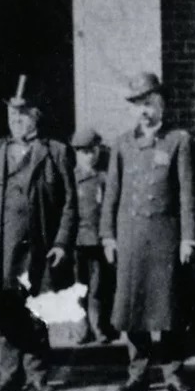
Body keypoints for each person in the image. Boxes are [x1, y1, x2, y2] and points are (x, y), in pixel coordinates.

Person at [0, 86, 76, 391]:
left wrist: (61, 243)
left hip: (39, 248)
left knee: (36, 312)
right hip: (0, 249)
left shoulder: (55, 152)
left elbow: (69, 203)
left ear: (36, 117)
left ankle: (38, 375)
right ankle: (9, 374)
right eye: (11, 113)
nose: (15, 119)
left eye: (23, 113)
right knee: (6, 311)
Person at [103, 73, 195, 391]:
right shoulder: (121, 144)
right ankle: (138, 372)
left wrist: (188, 238)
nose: (144, 111)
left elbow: (188, 193)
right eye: (138, 105)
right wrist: (107, 235)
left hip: (165, 235)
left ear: (162, 104)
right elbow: (112, 193)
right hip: (130, 234)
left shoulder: (178, 141)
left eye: (149, 103)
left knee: (169, 306)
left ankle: (173, 373)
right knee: (134, 307)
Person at [69, 128, 117, 345]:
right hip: (77, 242)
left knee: (98, 286)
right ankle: (81, 328)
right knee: (78, 286)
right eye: (84, 152)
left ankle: (99, 326)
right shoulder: (70, 178)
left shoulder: (103, 178)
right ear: (77, 153)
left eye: (92, 151)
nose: (89, 156)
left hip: (97, 241)